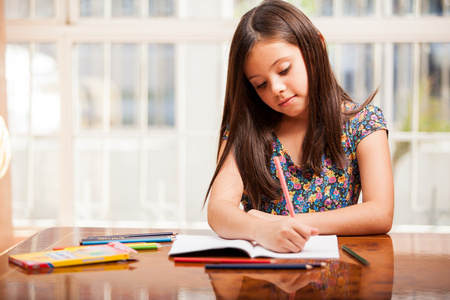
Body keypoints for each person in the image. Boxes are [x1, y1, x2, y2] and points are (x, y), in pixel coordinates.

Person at [204, 0, 394, 253]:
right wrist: (262, 231)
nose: (276, 89)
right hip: (264, 280)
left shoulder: (363, 123)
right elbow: (218, 210)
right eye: (260, 84)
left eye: (284, 70)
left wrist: (285, 224)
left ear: (316, 47)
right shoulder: (246, 131)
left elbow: (380, 213)